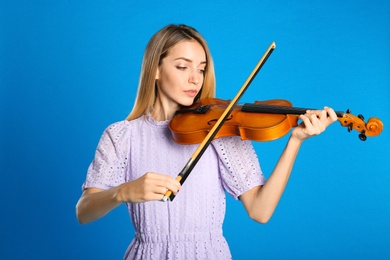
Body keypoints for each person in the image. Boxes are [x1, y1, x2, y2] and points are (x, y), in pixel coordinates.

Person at [76, 24, 337, 259]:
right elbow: (84, 211)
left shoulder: (220, 128)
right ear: (155, 69)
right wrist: (123, 192)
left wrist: (296, 141)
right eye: (182, 66)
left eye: (201, 69)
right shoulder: (122, 135)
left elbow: (260, 210)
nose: (195, 79)